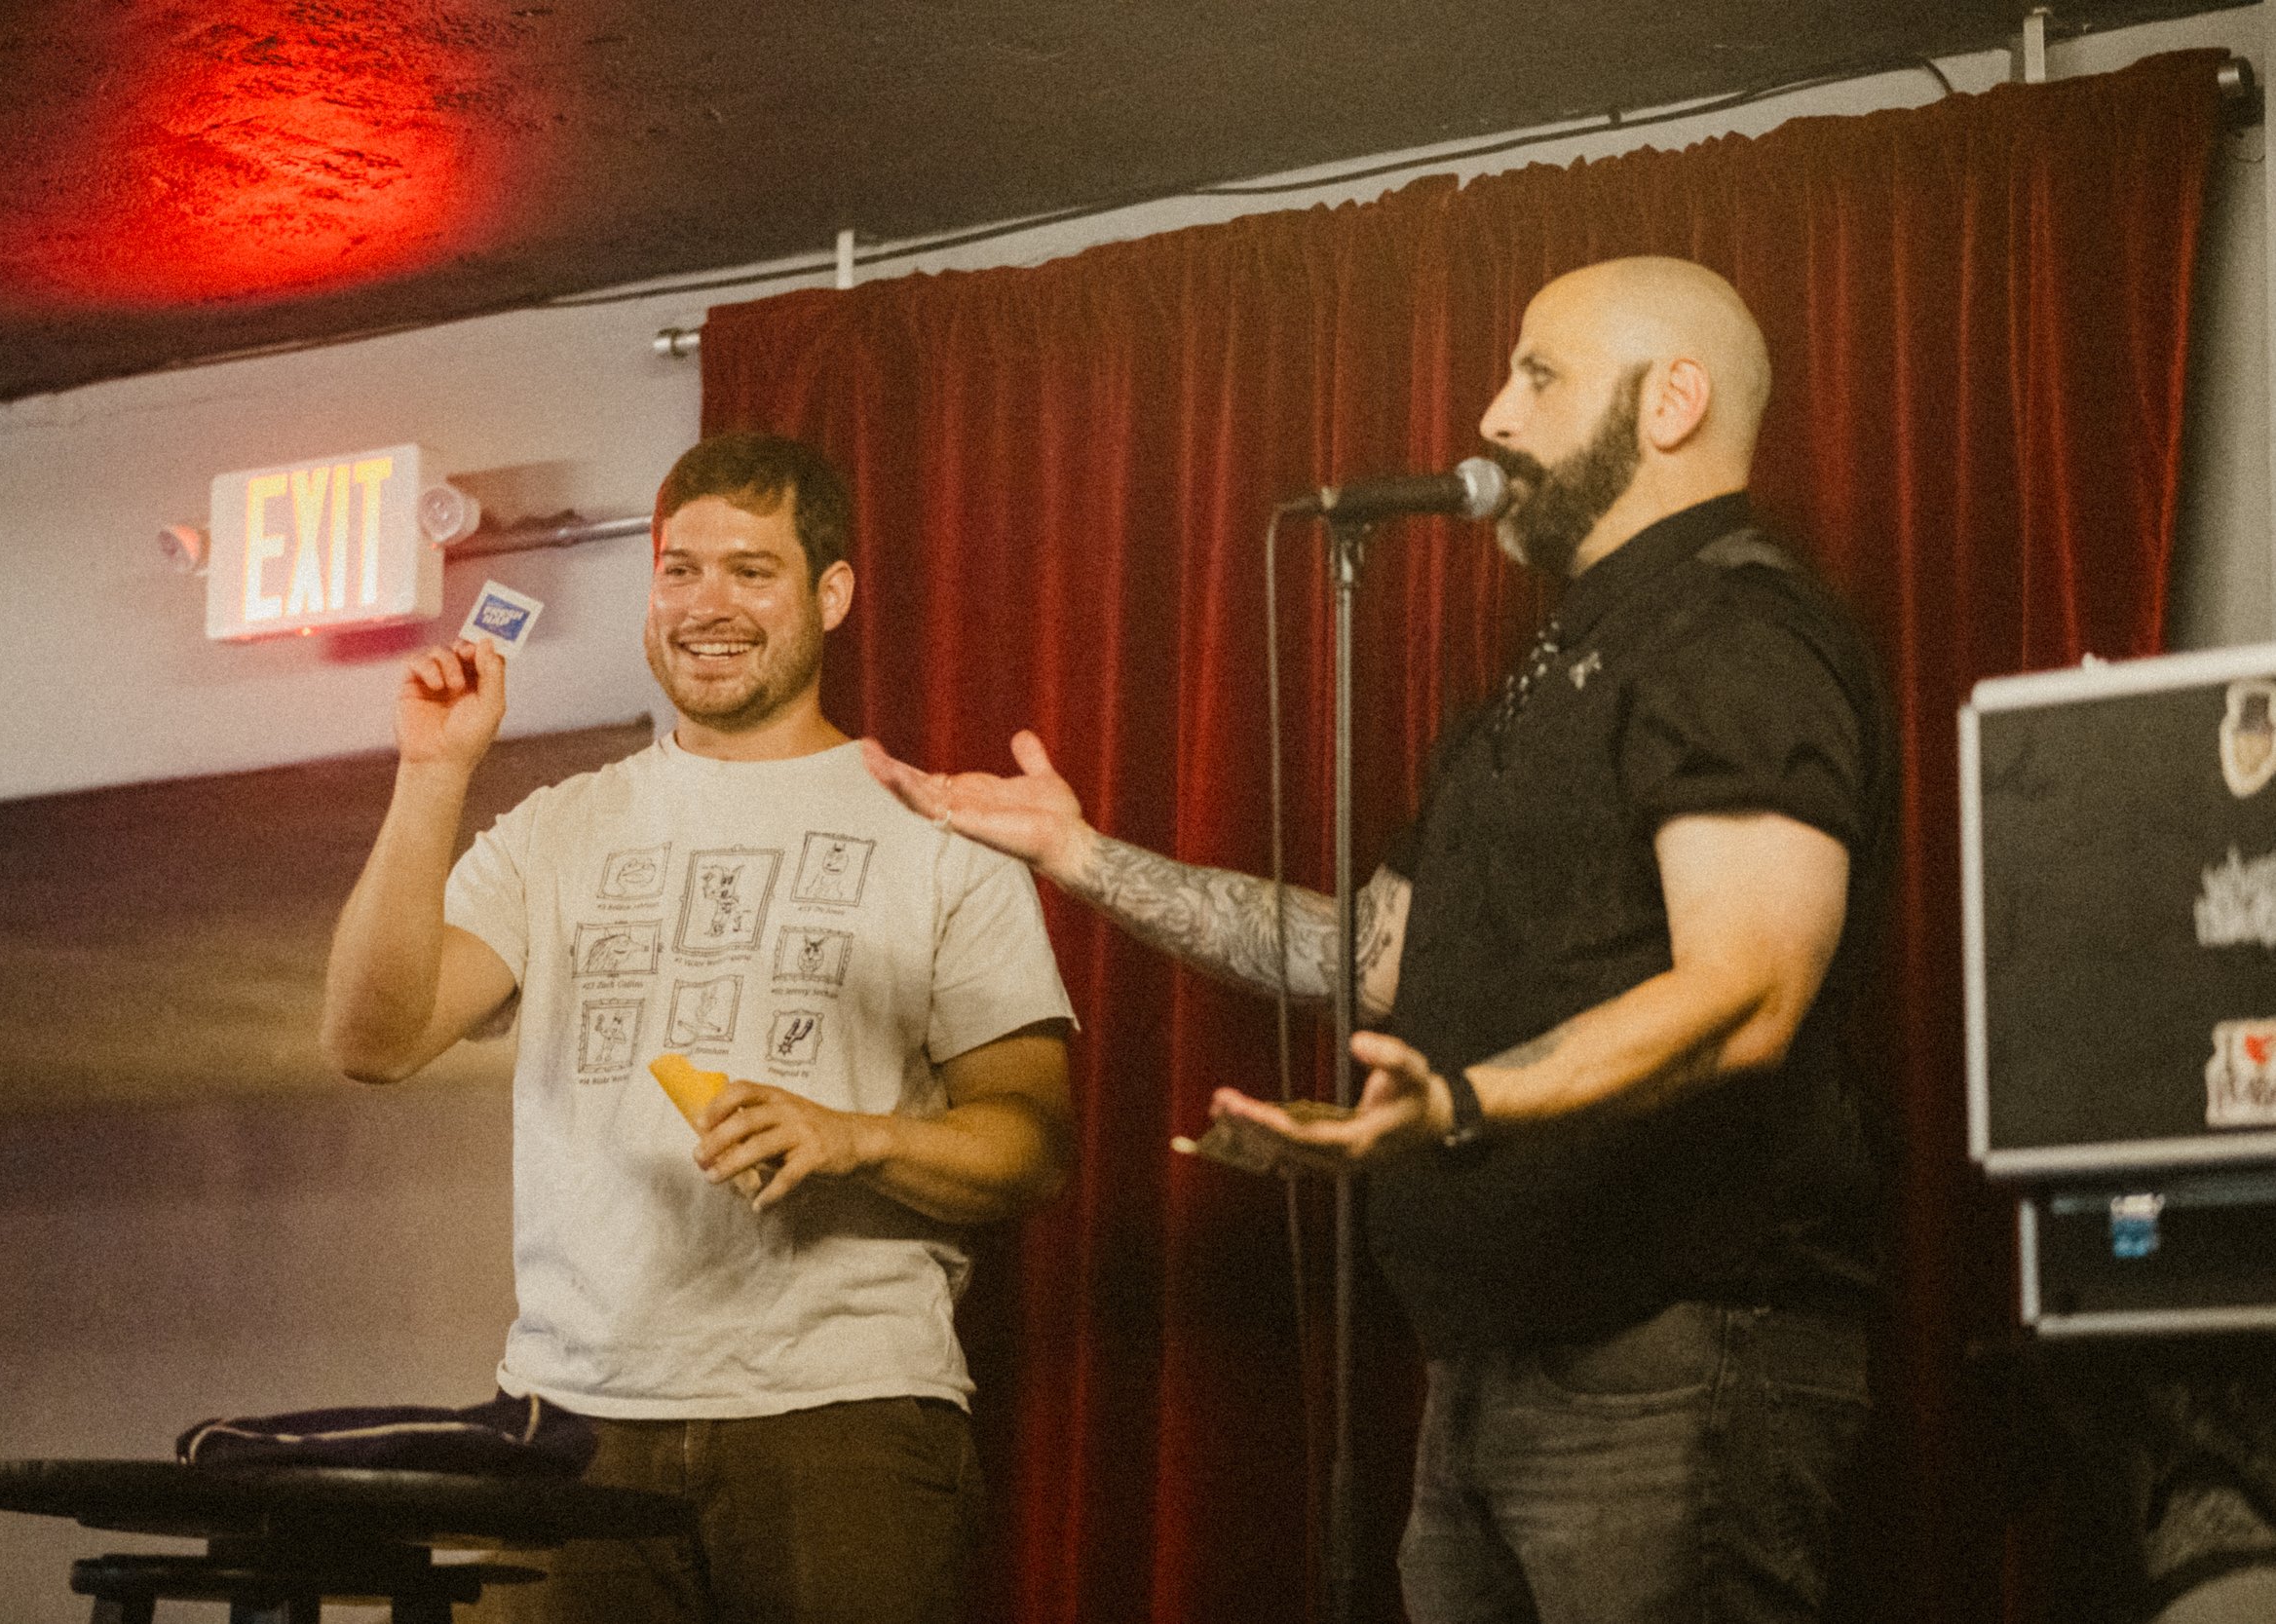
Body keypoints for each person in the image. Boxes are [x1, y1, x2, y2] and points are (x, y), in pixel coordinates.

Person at [865, 257, 1890, 1622]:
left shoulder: (1736, 629)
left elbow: (1752, 984)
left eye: (1539, 374)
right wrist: (1084, 858)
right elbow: (1376, 955)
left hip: (1674, 1360)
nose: (1494, 415)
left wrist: (1458, 1100)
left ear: (1674, 402)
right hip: (1488, 1367)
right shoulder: (1551, 666)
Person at [321, 432, 1076, 1624]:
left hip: (848, 1412)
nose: (706, 604)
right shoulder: (556, 827)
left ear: (830, 594)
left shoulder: (936, 840)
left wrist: (857, 1136)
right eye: (679, 569)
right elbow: (372, 1037)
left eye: (750, 570)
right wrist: (432, 771)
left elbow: (1033, 1140)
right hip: (573, 1420)